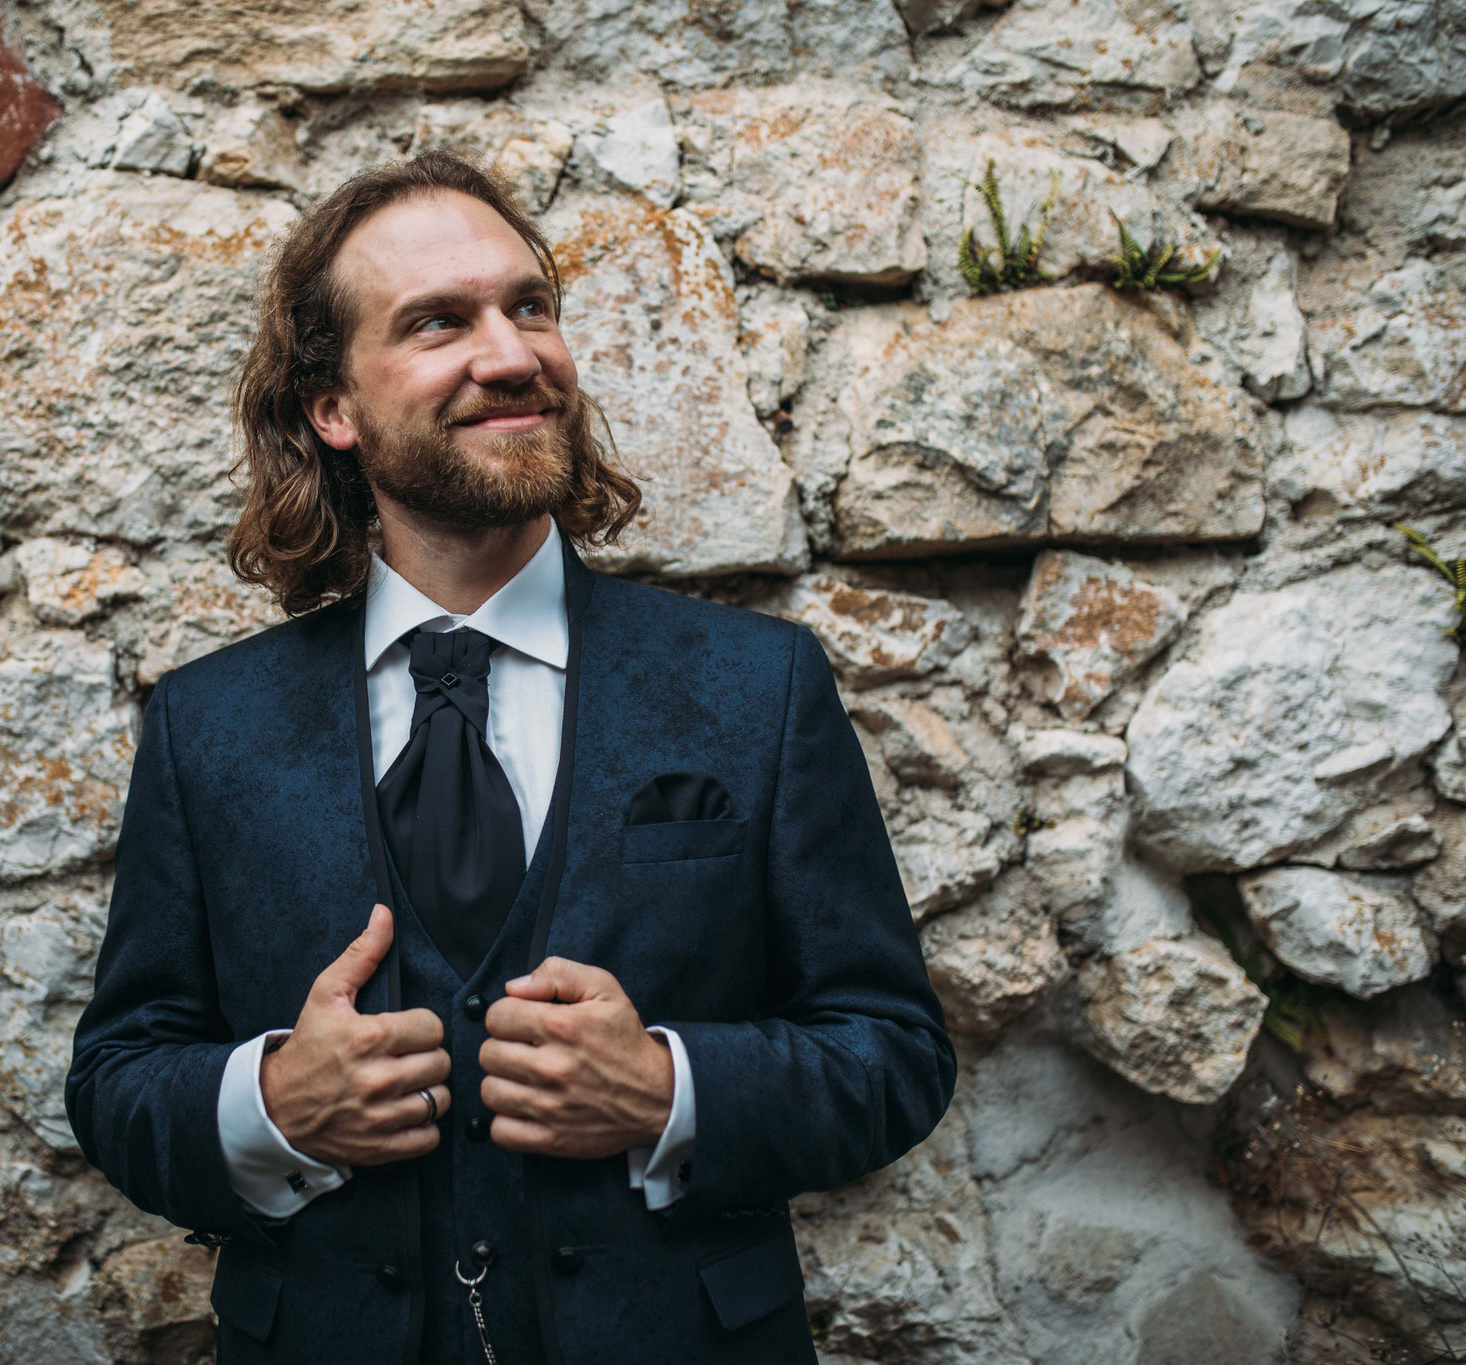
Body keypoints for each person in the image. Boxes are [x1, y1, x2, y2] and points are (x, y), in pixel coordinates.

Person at [65, 149, 954, 1365]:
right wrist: (268, 1106)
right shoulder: (208, 725)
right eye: (438, 322)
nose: (510, 355)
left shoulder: (756, 686)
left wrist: (670, 1089)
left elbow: (894, 1053)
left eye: (528, 307)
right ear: (332, 410)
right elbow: (116, 1082)